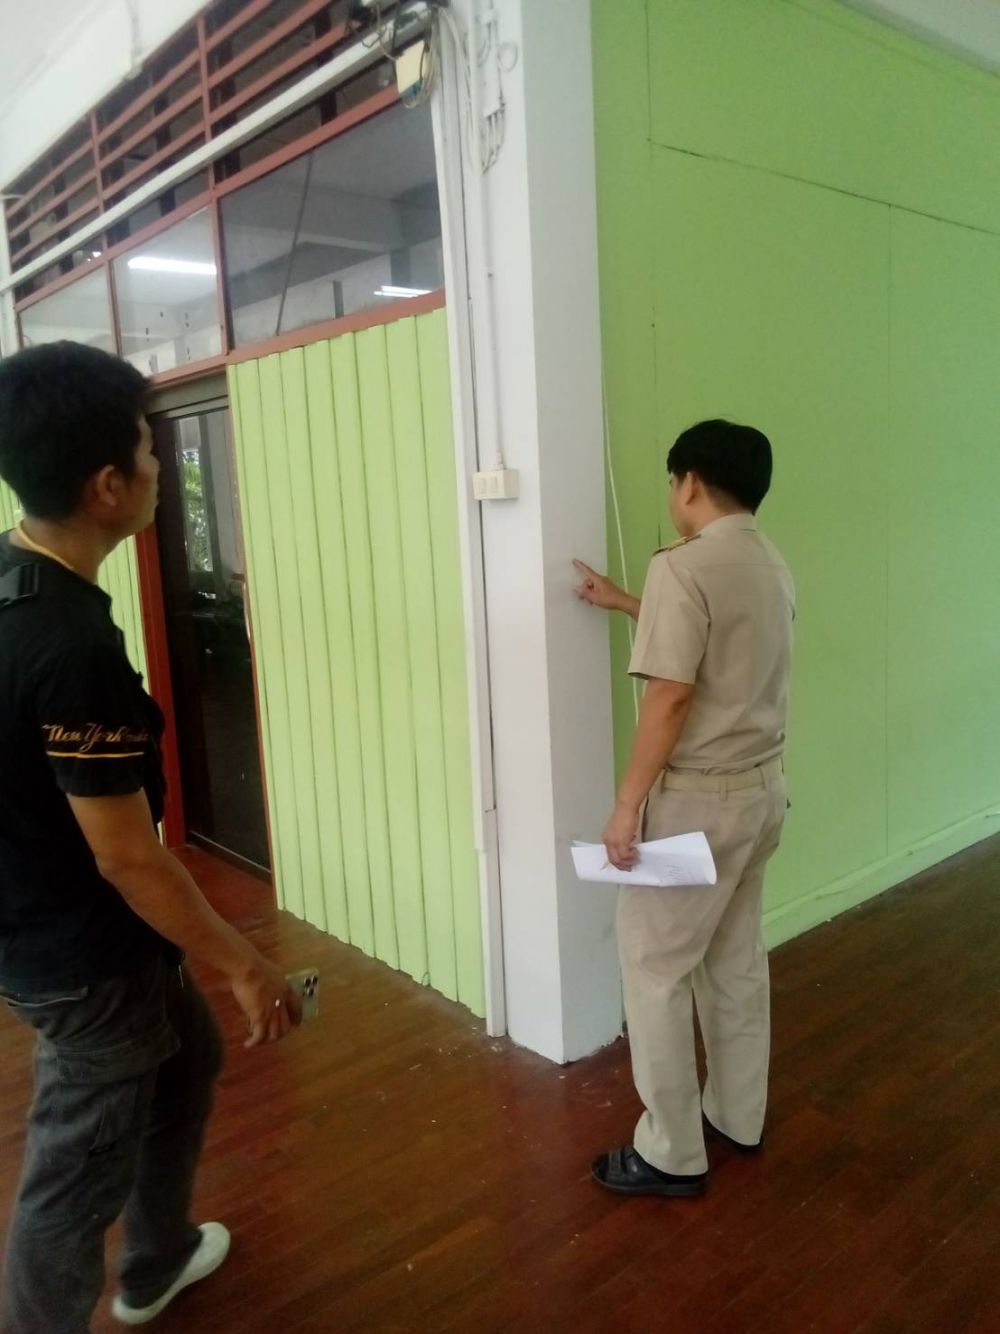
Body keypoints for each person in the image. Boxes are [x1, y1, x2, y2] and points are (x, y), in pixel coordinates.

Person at [0, 341, 301, 1333]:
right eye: (147, 447)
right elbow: (128, 856)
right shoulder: (67, 644)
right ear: (106, 486)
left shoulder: (14, 574)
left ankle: (158, 1253)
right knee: (72, 1175)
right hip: (82, 956)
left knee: (187, 1057)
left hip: (65, 924)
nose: (161, 466)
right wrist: (245, 961)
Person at [574, 419, 794, 1198]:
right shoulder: (769, 563)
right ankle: (738, 1115)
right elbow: (718, 644)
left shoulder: (685, 565)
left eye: (673, 483)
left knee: (656, 970)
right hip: (761, 794)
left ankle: (670, 1152)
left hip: (698, 803)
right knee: (734, 961)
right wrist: (625, 602)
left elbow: (671, 693)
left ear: (689, 482)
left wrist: (625, 807)